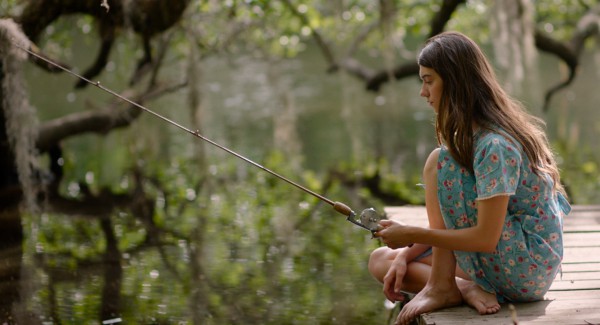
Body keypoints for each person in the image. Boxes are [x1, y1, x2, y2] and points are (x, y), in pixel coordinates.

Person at [368, 31, 571, 325]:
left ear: (455, 82)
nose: (423, 92)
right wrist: (407, 252)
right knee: (382, 261)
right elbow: (463, 221)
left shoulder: (495, 145)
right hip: (508, 261)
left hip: (527, 268)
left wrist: (412, 234)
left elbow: (486, 238)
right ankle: (461, 287)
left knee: (439, 161)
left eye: (428, 81)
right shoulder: (477, 138)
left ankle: (441, 286)